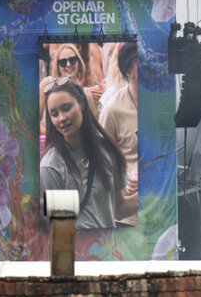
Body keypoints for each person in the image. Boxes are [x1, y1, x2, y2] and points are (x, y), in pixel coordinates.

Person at [40, 76, 136, 230]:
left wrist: (153, 192)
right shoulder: (52, 167)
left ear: (82, 103)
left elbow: (118, 208)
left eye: (66, 108)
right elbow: (62, 227)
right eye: (54, 114)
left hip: (109, 244)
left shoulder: (106, 149)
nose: (61, 118)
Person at [97, 42, 139, 226]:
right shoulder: (112, 110)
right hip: (127, 215)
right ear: (129, 71)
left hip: (160, 210)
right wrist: (126, 178)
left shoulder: (161, 106)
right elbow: (101, 160)